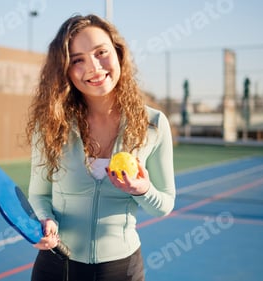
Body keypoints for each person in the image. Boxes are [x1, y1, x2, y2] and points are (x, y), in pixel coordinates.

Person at [26, 14, 176, 281]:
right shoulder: (50, 124)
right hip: (56, 266)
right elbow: (39, 195)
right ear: (65, 70)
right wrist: (44, 221)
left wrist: (143, 190)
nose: (94, 67)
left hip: (121, 270)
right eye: (77, 60)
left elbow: (164, 204)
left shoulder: (153, 124)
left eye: (101, 52)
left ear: (118, 53)